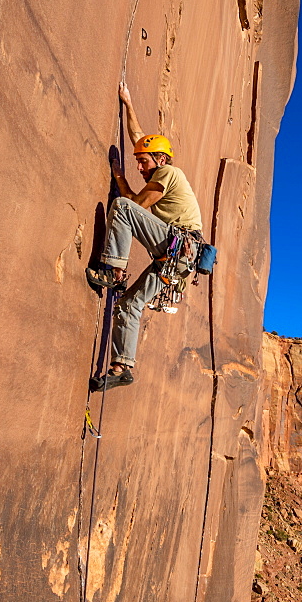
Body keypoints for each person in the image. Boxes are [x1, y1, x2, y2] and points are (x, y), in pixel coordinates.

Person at [86, 82, 203, 391]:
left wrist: (118, 176)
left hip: (178, 247)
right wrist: (127, 102)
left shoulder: (168, 173)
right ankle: (122, 367)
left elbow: (134, 206)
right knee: (128, 305)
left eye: (143, 161)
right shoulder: (159, 165)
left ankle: (113, 271)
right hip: (177, 259)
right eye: (137, 161)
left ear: (161, 160)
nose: (139, 166)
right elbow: (139, 138)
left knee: (122, 206)